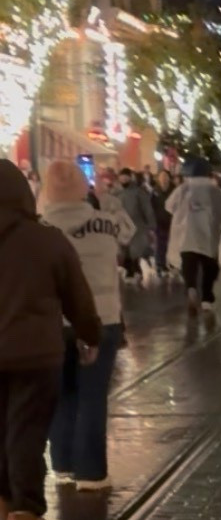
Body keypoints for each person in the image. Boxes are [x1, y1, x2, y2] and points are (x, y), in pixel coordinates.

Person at [0, 159, 102, 520]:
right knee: (26, 432)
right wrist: (90, 335)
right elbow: (78, 298)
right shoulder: (48, 239)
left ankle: (3, 503)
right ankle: (25, 513)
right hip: (36, 354)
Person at [40, 159, 129, 493]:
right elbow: (129, 234)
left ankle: (62, 463)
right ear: (82, 187)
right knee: (93, 396)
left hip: (54, 321)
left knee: (60, 393)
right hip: (102, 318)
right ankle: (91, 473)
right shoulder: (105, 223)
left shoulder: (40, 229)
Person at [166, 160, 221, 320]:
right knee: (210, 268)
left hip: (186, 236)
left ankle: (191, 289)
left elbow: (168, 206)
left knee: (189, 266)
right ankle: (207, 299)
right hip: (209, 237)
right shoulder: (215, 191)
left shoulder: (183, 189)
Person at [117, 168, 156, 279]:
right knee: (125, 253)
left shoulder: (139, 192)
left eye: (126, 178)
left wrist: (151, 226)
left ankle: (136, 274)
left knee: (136, 253)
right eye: (122, 178)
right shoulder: (118, 193)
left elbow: (147, 209)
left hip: (137, 227)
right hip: (122, 228)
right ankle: (130, 275)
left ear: (130, 178)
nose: (123, 180)